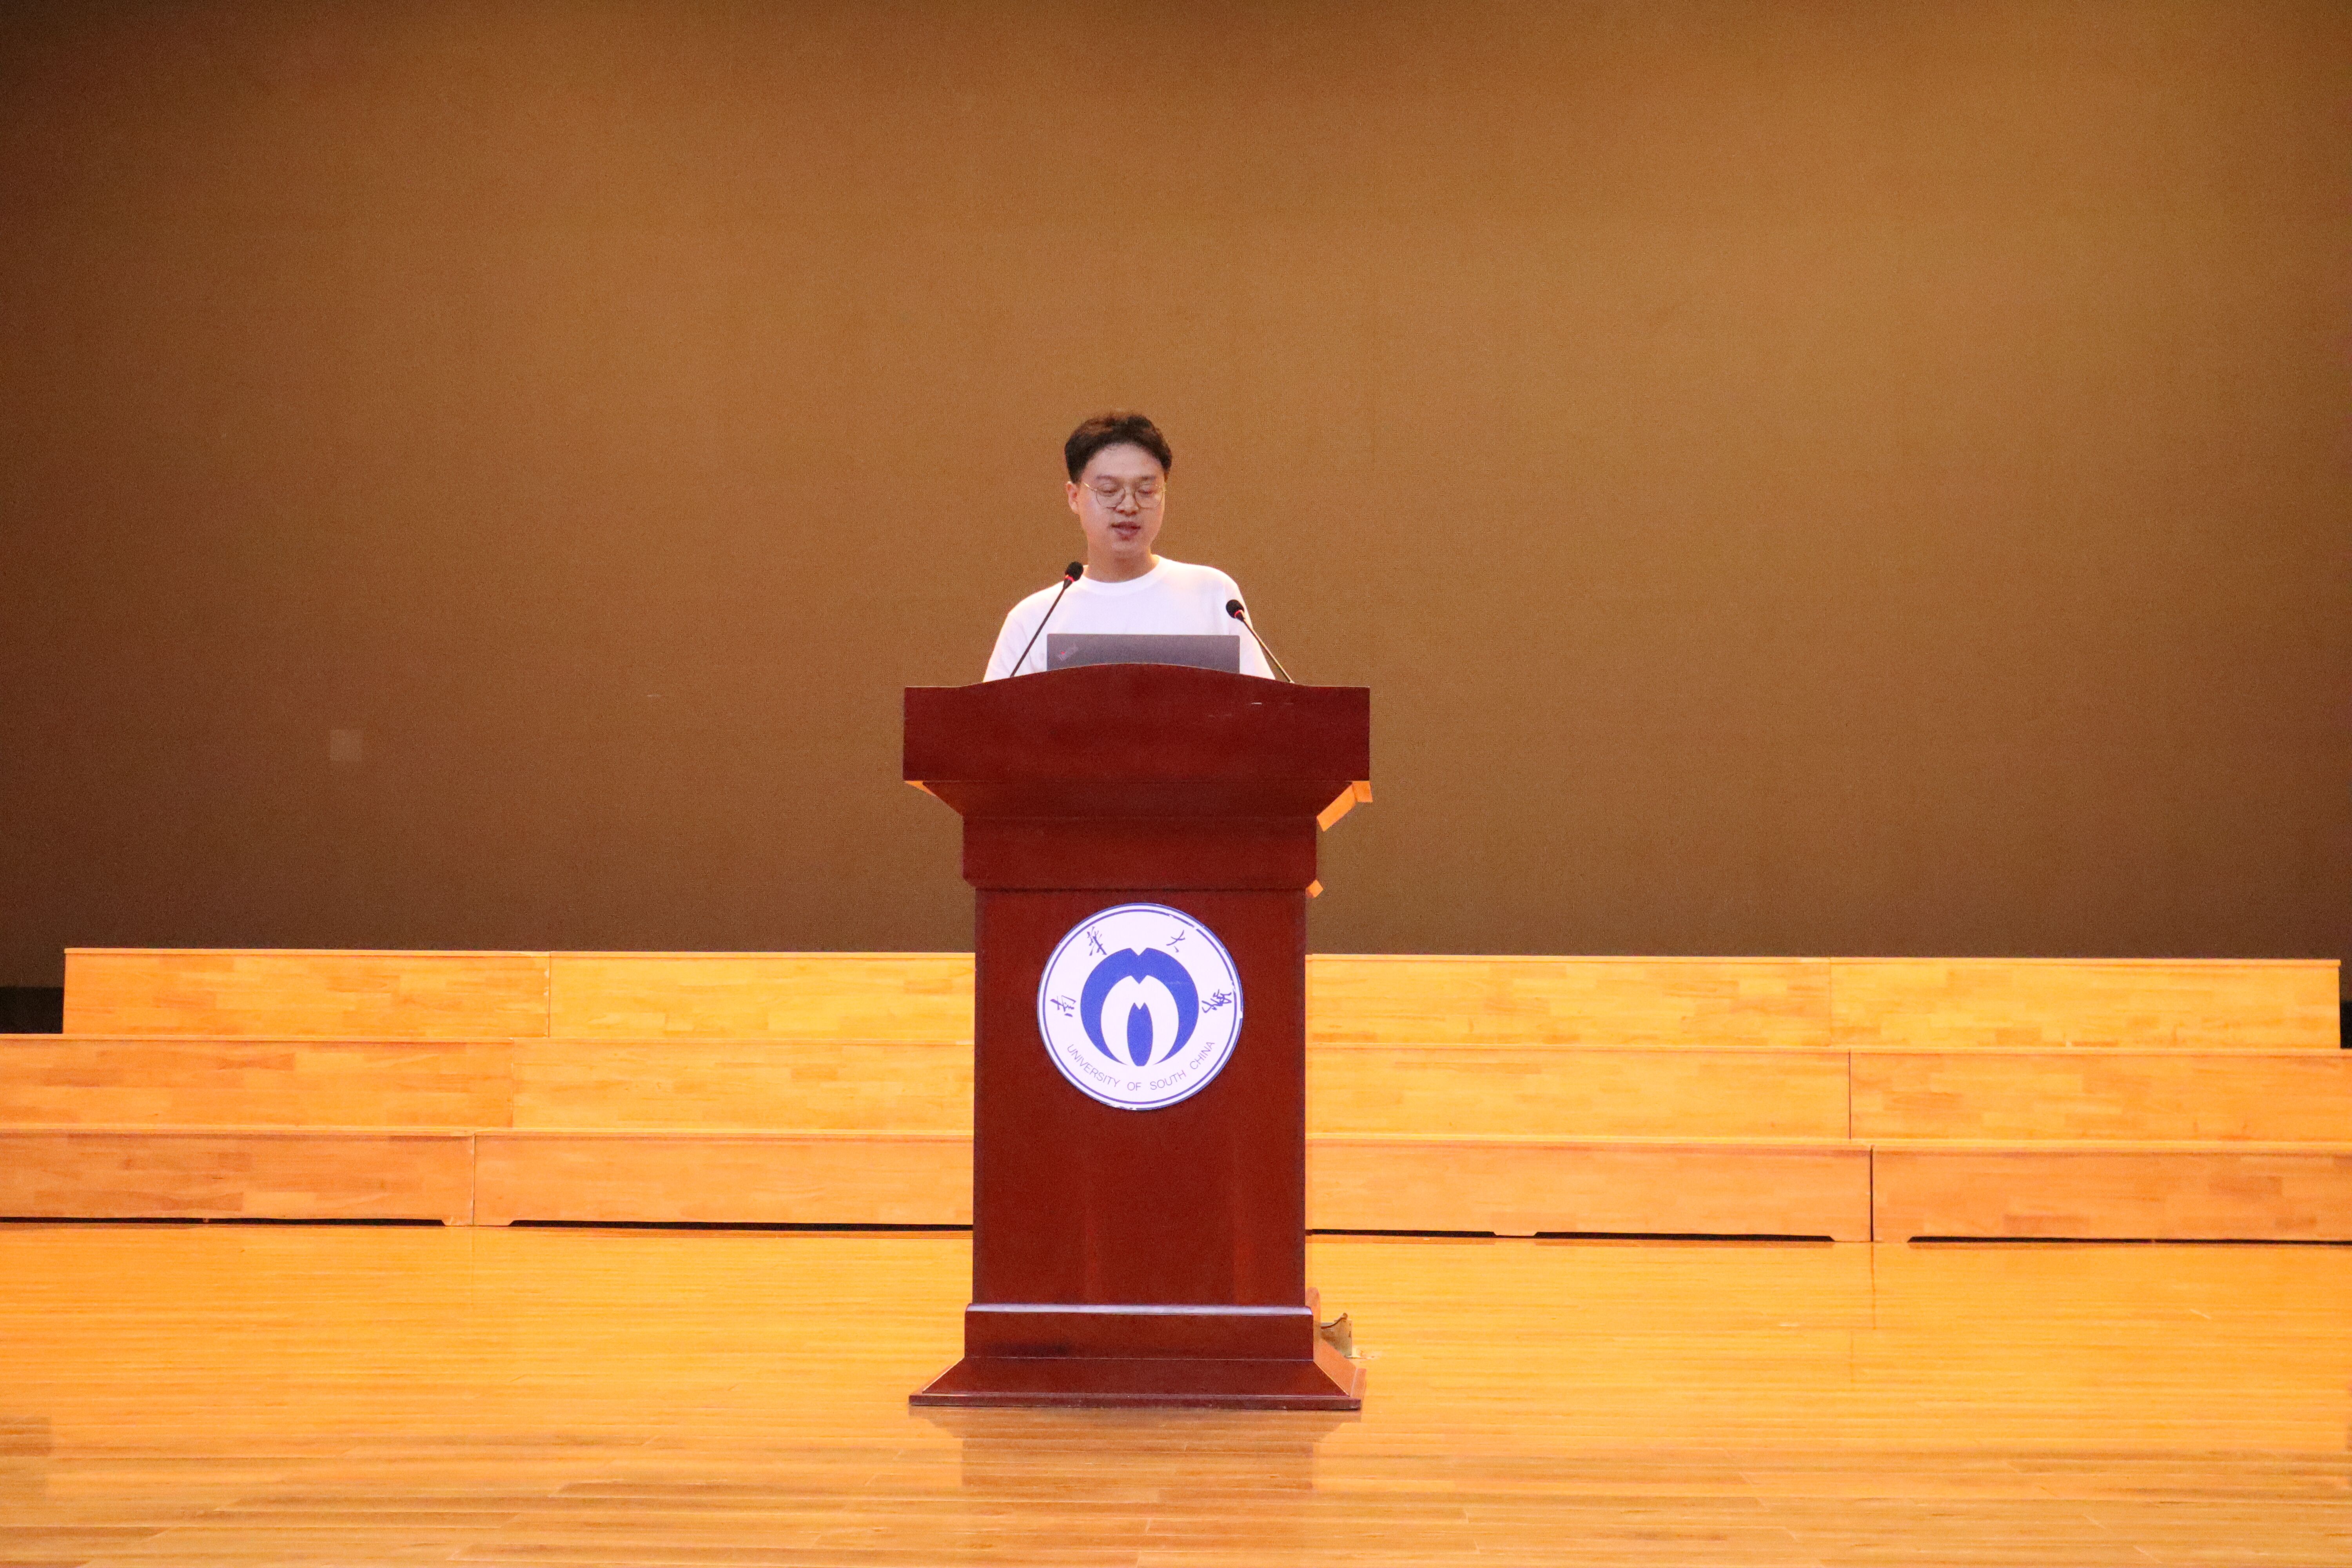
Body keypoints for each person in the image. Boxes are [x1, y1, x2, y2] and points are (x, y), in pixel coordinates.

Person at [984, 412, 1274, 681]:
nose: (1128, 506)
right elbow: (993, 718)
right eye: (1109, 491)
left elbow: (1264, 710)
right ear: (1074, 497)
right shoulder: (1033, 621)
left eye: (1146, 491)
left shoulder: (1214, 596)